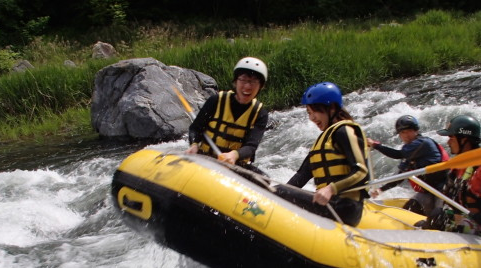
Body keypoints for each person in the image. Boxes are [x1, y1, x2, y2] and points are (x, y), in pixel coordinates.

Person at [283, 82, 370, 226]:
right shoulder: (324, 140)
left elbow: (361, 172)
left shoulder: (344, 131)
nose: (312, 118)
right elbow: (301, 176)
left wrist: (331, 189)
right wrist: (273, 192)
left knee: (281, 192)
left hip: (345, 208)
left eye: (315, 111)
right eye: (309, 113)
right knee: (280, 191)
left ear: (332, 108)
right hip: (330, 205)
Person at [186, 57, 270, 167]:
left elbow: (251, 146)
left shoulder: (260, 114)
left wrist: (234, 155)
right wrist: (194, 144)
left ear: (261, 86)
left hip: (235, 165)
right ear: (235, 82)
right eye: (243, 80)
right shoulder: (216, 101)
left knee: (266, 180)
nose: (247, 86)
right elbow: (195, 128)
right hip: (206, 158)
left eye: (253, 82)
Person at [367, 114, 450, 215]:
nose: (406, 135)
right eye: (403, 132)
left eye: (409, 131)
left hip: (442, 191)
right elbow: (401, 176)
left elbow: (397, 154)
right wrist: (381, 190)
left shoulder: (422, 143)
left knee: (438, 218)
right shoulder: (411, 152)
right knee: (408, 210)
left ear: (416, 131)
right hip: (429, 192)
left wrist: (375, 145)